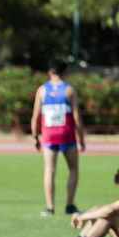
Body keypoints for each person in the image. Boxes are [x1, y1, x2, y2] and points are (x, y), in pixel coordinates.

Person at [30, 59, 86, 216]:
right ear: (64, 72)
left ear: (49, 72)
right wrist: (81, 138)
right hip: (67, 136)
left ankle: (50, 207)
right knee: (73, 169)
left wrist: (35, 137)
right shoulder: (69, 90)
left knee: (49, 170)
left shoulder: (42, 90)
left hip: (49, 137)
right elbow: (77, 117)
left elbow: (35, 117)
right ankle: (70, 204)